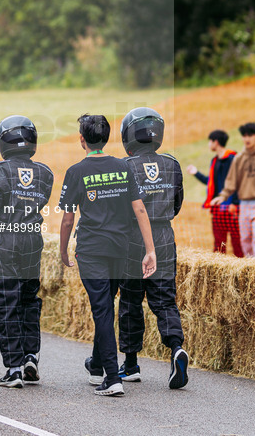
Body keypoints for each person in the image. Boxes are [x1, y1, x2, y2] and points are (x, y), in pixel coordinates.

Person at [58, 114, 157, 397]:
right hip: (120, 248)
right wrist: (150, 250)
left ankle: (112, 378)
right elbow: (139, 210)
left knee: (101, 309)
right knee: (105, 306)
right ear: (107, 138)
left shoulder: (76, 171)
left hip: (91, 250)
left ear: (82, 140)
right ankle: (97, 365)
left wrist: (63, 249)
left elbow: (67, 220)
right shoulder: (123, 167)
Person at [0, 115, 54, 389]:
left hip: (6, 241)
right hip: (33, 241)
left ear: (3, 142)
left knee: (7, 301)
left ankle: (13, 368)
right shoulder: (45, 173)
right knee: (29, 299)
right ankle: (30, 356)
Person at [117, 107, 190, 390]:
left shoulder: (124, 166)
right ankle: (176, 348)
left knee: (130, 301)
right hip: (163, 236)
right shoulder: (172, 164)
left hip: (133, 237)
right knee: (164, 299)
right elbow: (178, 202)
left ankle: (131, 363)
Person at [211, 122, 255, 258]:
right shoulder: (239, 158)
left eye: (250, 135)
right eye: (244, 136)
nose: (247, 139)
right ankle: (249, 271)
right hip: (244, 204)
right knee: (245, 240)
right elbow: (231, 181)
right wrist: (223, 196)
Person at [187, 130, 244, 257]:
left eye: (210, 141)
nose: (209, 144)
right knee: (219, 244)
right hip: (218, 208)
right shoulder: (215, 161)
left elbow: (238, 183)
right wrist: (196, 173)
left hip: (232, 208)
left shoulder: (232, 159)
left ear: (216, 142)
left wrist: (235, 203)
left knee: (237, 243)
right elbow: (211, 182)